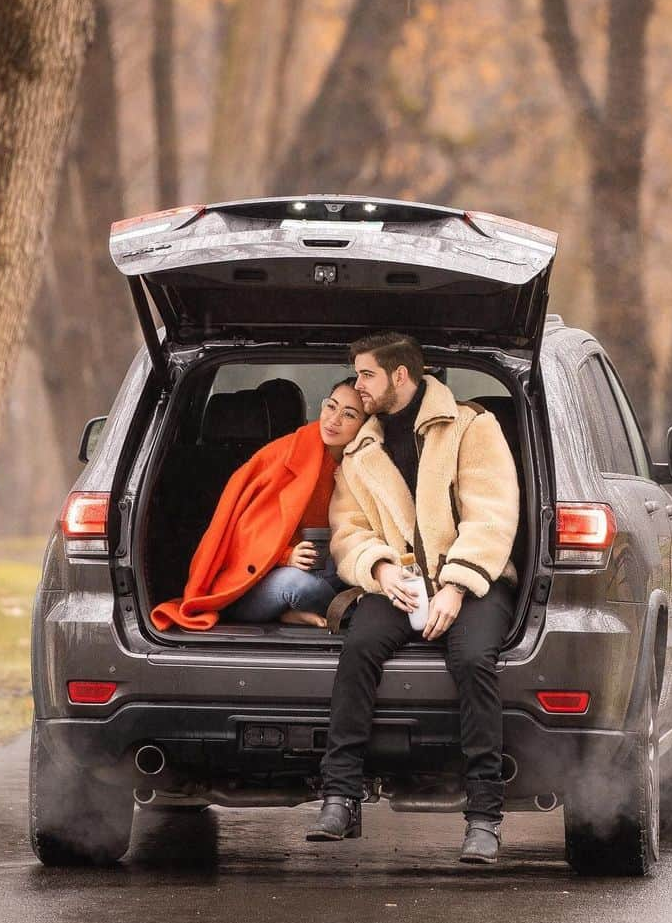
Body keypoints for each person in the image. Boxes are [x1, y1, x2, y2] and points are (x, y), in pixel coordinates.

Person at [307, 333, 520, 864]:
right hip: (399, 583)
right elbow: (348, 529)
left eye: (366, 376)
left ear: (400, 377)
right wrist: (380, 569)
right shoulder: (360, 450)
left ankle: (484, 818)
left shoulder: (471, 427)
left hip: (474, 581)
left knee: (473, 661)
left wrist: (454, 585)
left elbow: (492, 515)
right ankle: (339, 796)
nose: (358, 387)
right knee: (359, 647)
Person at [151, 379, 364, 632]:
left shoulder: (362, 465)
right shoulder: (284, 455)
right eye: (331, 406)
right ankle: (337, 614)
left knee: (346, 565)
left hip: (316, 567)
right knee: (298, 585)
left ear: (367, 424)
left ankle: (313, 609)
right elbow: (244, 534)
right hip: (252, 581)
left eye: (349, 414)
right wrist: (287, 556)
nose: (334, 420)